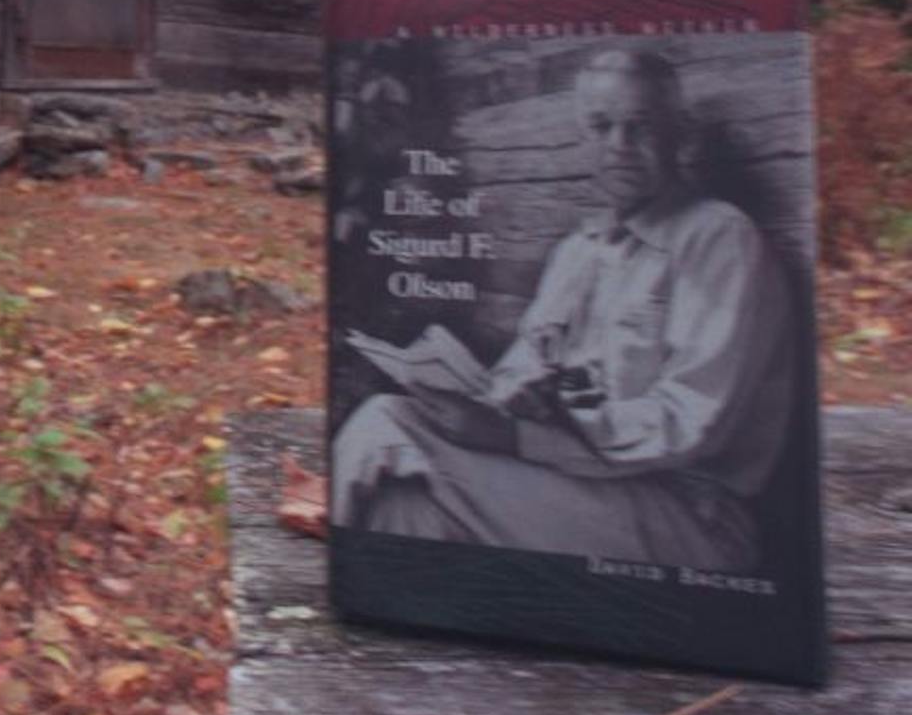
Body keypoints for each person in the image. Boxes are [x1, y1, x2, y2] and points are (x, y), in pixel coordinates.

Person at [331, 49, 793, 572]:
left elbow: (688, 422)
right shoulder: (578, 252)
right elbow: (521, 368)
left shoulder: (718, 239)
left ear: (679, 134)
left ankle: (322, 552)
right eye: (601, 126)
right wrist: (506, 400)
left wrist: (519, 435)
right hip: (574, 487)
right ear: (582, 139)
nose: (619, 146)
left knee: (386, 422)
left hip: (685, 515)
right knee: (404, 507)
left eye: (640, 126)